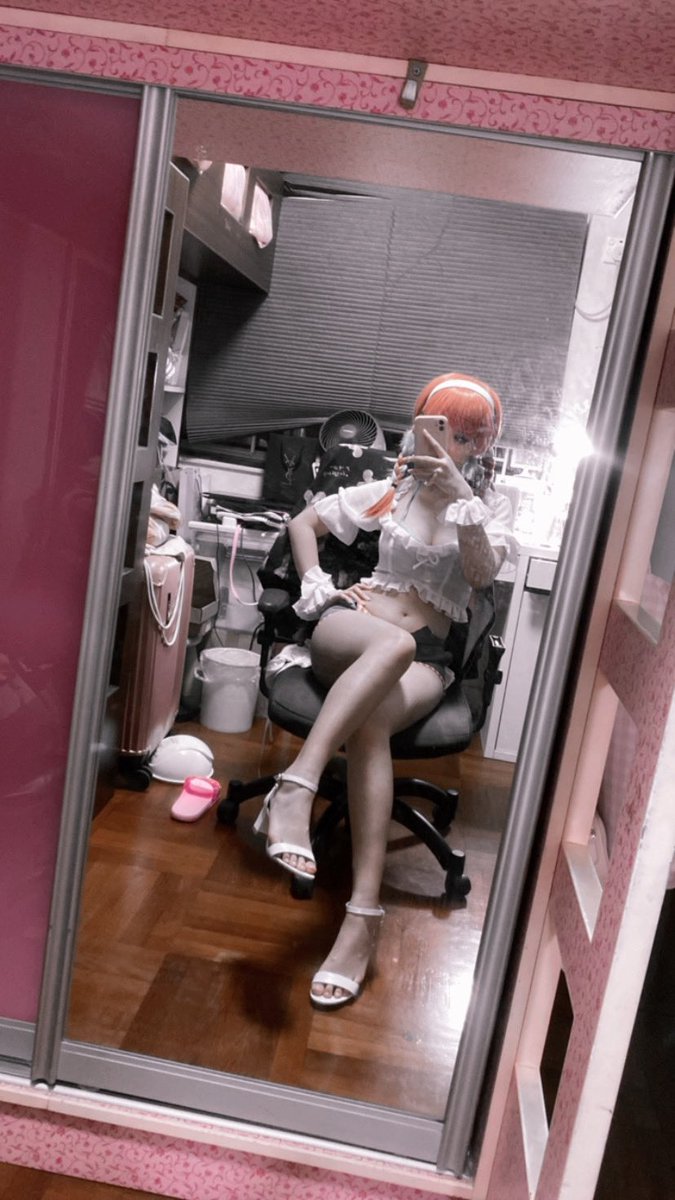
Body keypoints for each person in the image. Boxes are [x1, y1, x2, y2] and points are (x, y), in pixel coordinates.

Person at [253, 372, 516, 1009]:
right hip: (353, 628)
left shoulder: (490, 508)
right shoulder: (391, 490)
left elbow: (482, 574)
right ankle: (299, 786)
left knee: (375, 717)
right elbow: (304, 524)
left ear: (482, 444)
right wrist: (319, 585)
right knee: (390, 644)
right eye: (442, 429)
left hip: (429, 657)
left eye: (467, 436)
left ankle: (361, 917)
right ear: (422, 427)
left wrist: (461, 496)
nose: (452, 443)